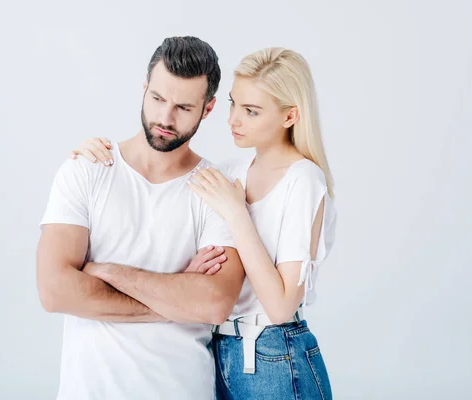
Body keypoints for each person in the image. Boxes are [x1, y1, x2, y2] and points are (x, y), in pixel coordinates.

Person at [71, 47, 337, 399]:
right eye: (233, 104)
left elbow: (282, 305)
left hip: (277, 355)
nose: (233, 120)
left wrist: (237, 214)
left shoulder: (303, 180)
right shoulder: (228, 173)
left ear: (290, 117)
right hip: (222, 352)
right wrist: (97, 152)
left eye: (251, 111)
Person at [37, 36, 245, 400]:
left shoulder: (216, 189)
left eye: (183, 107)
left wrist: (109, 272)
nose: (165, 118)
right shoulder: (87, 170)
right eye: (158, 99)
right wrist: (177, 298)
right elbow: (55, 291)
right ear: (144, 86)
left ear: (208, 109)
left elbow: (214, 303)